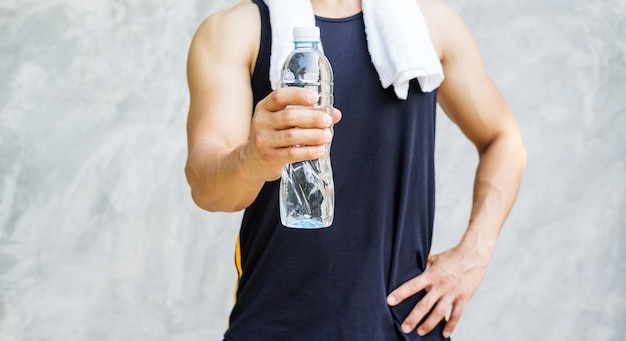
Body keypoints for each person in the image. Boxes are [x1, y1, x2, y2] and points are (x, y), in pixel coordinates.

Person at [185, 0, 526, 339]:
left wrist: (474, 253)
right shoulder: (234, 31)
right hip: (274, 325)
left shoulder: (431, 25)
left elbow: (503, 139)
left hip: (402, 326)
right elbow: (206, 187)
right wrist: (252, 158)